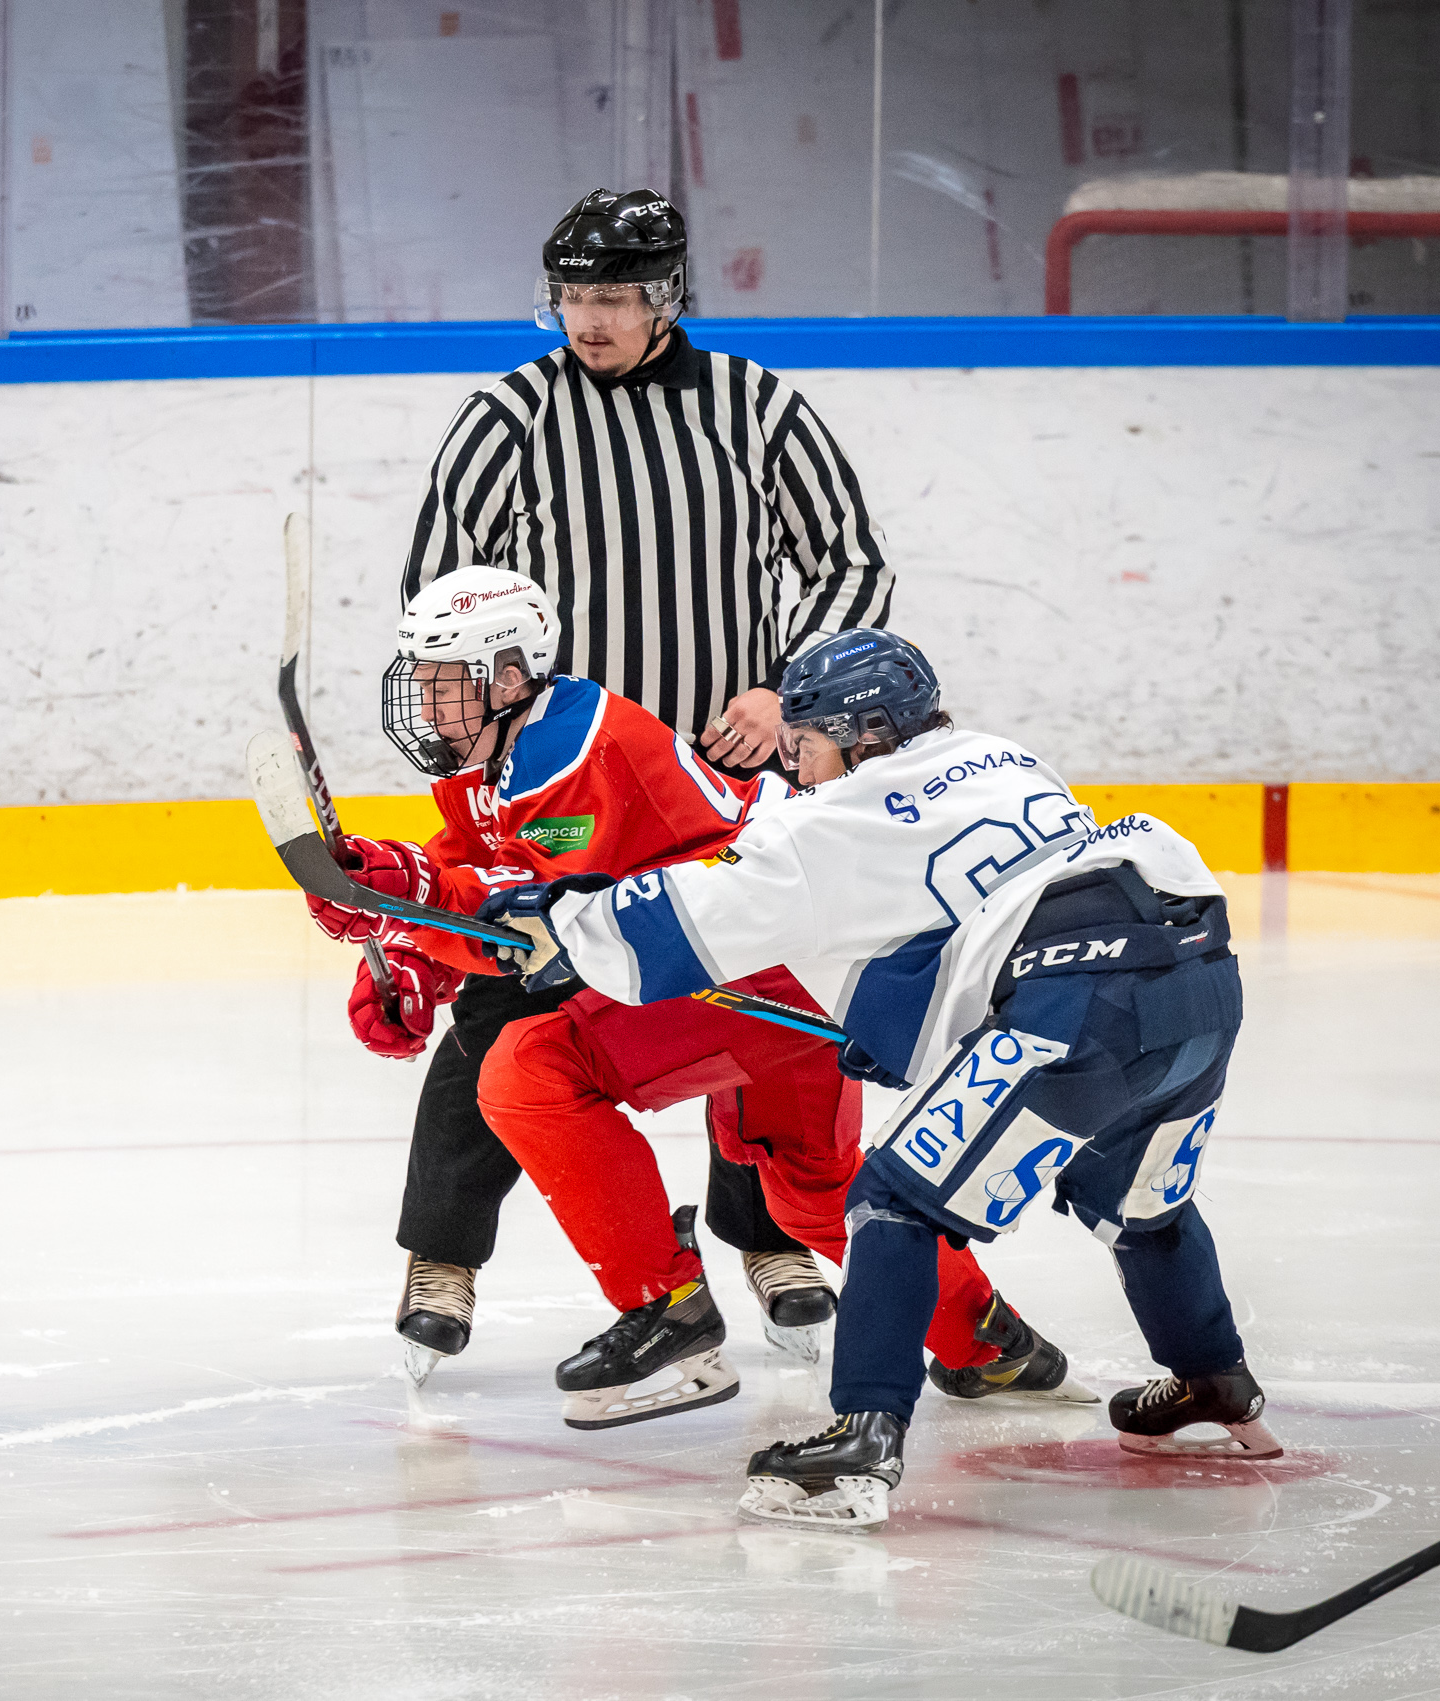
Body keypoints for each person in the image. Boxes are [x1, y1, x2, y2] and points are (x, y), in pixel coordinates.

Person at [476, 630, 1275, 1524]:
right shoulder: (1002, 756)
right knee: (1144, 1206)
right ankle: (1216, 1382)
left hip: (1079, 999)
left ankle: (862, 1438)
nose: (797, 765)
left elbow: (699, 912)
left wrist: (561, 921)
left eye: (806, 742)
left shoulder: (837, 817)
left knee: (891, 1203)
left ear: (864, 734)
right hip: (1200, 977)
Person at [318, 572, 1089, 1428]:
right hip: (792, 962)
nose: (425, 702)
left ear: (505, 676)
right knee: (809, 1189)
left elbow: (552, 928)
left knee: (528, 1071)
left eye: (442, 681)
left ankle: (668, 1304)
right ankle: (995, 1344)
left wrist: (411, 909)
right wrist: (410, 942)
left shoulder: (574, 752)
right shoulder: (500, 742)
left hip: (753, 965)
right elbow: (478, 855)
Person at [383, 185, 898, 1366]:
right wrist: (479, 750)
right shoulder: (509, 416)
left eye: (614, 297)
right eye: (572, 297)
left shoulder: (757, 406)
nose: (590, 320)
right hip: (566, 786)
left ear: (668, 297)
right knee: (506, 999)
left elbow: (850, 563)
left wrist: (786, 692)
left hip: (718, 789)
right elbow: (440, 595)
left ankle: (768, 1239)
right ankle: (444, 1256)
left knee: (747, 1003)